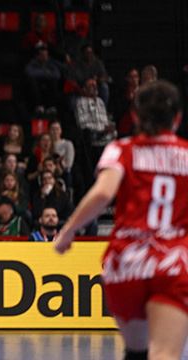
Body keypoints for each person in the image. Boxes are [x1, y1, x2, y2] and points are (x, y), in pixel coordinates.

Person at [55, 80, 188, 359]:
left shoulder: (121, 149)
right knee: (164, 352)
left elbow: (103, 193)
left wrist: (68, 231)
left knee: (136, 351)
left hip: (126, 262)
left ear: (136, 116)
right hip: (172, 262)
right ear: (177, 118)